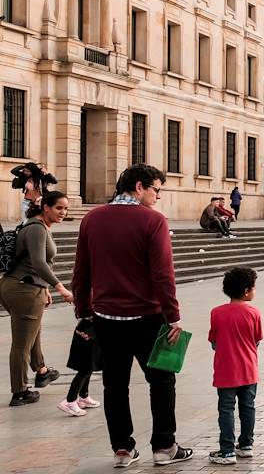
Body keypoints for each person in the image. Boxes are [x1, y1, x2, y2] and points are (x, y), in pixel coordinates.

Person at [73, 164, 193, 467]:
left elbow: (81, 272)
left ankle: (123, 449)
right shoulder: (153, 221)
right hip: (148, 317)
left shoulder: (92, 219)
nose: (157, 197)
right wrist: (173, 315)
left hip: (106, 317)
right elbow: (163, 274)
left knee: (114, 385)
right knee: (162, 381)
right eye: (156, 190)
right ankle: (165, 446)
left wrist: (83, 312)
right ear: (139, 187)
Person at [3, 190, 73, 407]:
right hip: (23, 289)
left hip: (24, 286)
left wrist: (44, 290)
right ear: (46, 208)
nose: (63, 212)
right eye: (59, 208)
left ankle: (41, 371)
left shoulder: (37, 225)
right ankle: (20, 391)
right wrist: (60, 287)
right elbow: (39, 262)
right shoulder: (36, 228)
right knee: (22, 343)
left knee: (33, 332)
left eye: (66, 208)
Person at [207, 267, 263, 465]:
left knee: (226, 409)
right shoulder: (254, 313)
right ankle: (246, 445)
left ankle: (227, 450)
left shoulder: (217, 313)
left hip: (225, 370)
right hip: (248, 369)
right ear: (247, 291)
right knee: (248, 406)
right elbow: (257, 340)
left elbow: (214, 342)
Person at [60, 318, 101, 416]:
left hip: (91, 324)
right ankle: (70, 400)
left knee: (90, 364)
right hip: (87, 325)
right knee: (86, 368)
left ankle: (83, 396)